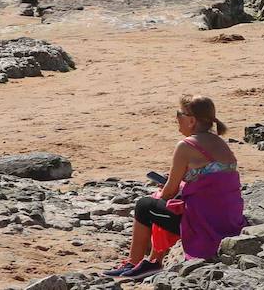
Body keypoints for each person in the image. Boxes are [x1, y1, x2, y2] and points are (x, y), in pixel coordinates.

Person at [100, 95, 243, 279]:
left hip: (204, 225)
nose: (177, 119)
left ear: (191, 120)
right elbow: (211, 185)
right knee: (169, 204)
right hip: (228, 220)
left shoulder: (186, 146)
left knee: (145, 205)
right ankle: (153, 260)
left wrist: (168, 188)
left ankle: (134, 263)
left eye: (179, 114)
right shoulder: (221, 144)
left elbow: (170, 191)